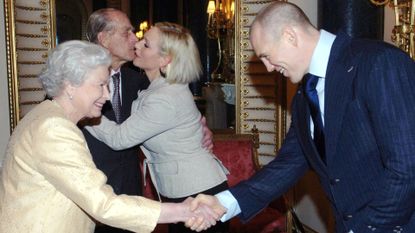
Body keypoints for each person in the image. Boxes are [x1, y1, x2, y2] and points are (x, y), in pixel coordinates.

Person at [191, 2, 415, 233]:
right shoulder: (304, 96)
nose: (268, 68)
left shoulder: (379, 63)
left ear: (290, 36)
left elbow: (408, 167)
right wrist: (223, 202)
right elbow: (288, 164)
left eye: (266, 56)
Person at [0, 40, 222, 233]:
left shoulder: (46, 115)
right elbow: (103, 205)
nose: (107, 95)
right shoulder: (53, 128)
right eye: (101, 85)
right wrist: (183, 210)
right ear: (70, 86)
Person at [86, 22, 229, 233]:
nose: (137, 43)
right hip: (182, 189)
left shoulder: (165, 96)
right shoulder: (155, 87)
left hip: (196, 191)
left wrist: (84, 113)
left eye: (146, 44)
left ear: (165, 59)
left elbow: (119, 139)